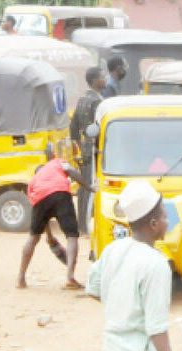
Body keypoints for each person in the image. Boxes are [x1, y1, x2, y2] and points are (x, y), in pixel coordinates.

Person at [86, 180, 182, 351]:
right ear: (153, 223)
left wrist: (121, 305)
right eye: (165, 216)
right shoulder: (156, 264)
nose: (168, 221)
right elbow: (156, 327)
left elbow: (93, 289)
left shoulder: (113, 249)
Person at [16, 151, 96, 290]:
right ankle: (70, 277)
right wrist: (89, 187)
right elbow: (70, 170)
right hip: (60, 193)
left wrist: (50, 237)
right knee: (72, 236)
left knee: (33, 238)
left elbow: (41, 214)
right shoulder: (56, 162)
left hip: (40, 198)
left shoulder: (33, 182)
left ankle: (20, 278)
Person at [70, 67, 106, 234]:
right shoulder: (97, 102)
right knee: (91, 187)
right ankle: (87, 225)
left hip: (84, 150)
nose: (104, 80)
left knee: (83, 187)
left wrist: (79, 145)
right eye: (102, 77)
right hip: (94, 151)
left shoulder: (82, 99)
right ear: (94, 81)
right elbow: (100, 129)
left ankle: (81, 226)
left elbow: (73, 127)